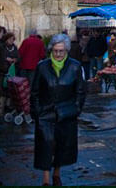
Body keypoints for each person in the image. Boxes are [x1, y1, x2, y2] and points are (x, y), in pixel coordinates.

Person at [31, 34, 86, 187]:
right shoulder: (42, 66)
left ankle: (56, 173)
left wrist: (76, 109)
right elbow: (35, 91)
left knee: (62, 145)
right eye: (55, 50)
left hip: (66, 113)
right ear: (51, 50)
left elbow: (80, 91)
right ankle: (46, 178)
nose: (58, 54)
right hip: (45, 113)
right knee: (46, 145)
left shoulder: (74, 66)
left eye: (61, 51)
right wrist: (36, 111)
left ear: (66, 50)